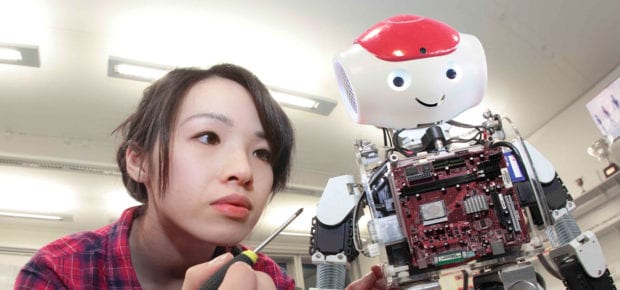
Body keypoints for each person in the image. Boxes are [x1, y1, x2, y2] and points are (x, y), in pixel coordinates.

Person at [14, 64, 296, 289]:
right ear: (139, 161)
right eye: (208, 137)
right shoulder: (61, 272)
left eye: (262, 153)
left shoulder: (270, 278)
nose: (244, 171)